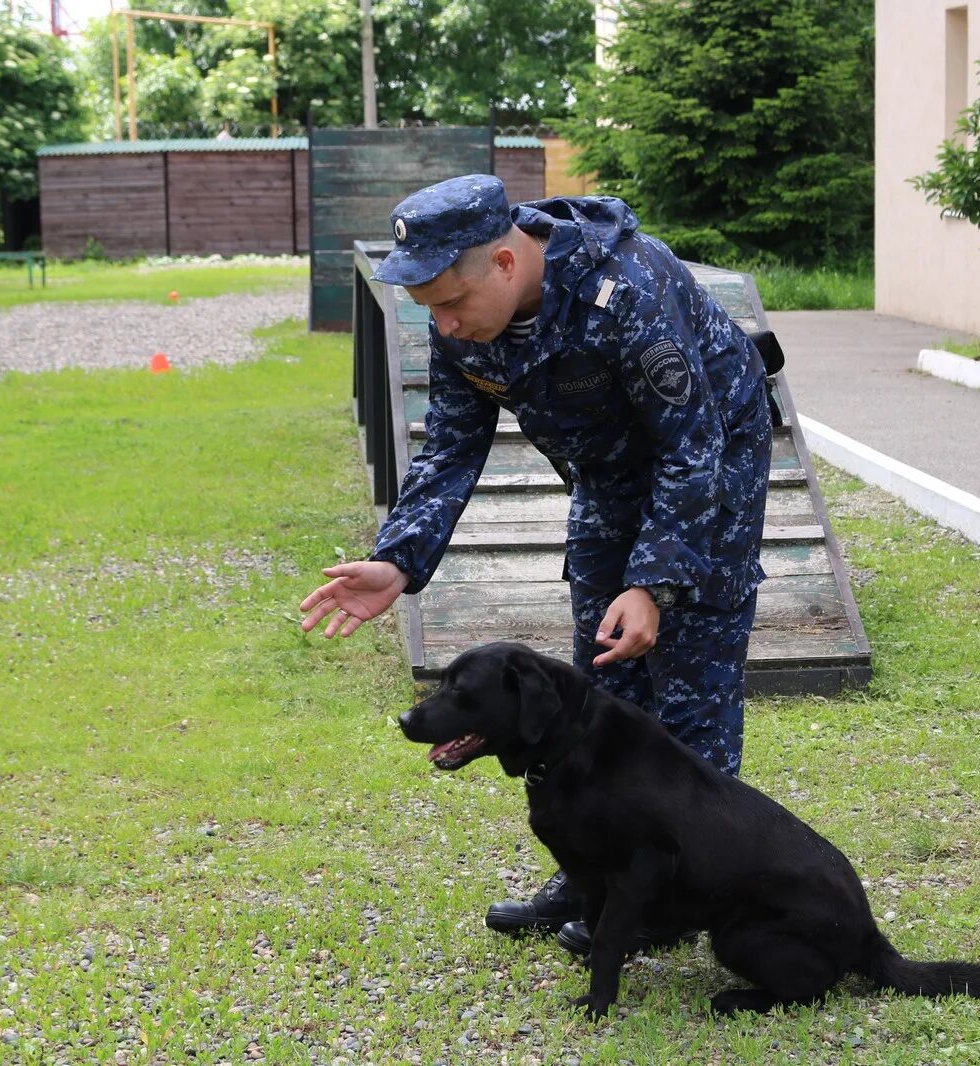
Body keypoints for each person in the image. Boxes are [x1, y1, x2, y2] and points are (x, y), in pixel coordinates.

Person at [299, 173, 772, 952]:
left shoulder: (628, 288)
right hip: (608, 475)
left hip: (710, 465)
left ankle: (682, 894)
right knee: (597, 682)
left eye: (452, 304)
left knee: (687, 683)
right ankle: (595, 876)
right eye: (430, 312)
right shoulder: (464, 323)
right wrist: (399, 561)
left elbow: (693, 448)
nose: (444, 327)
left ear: (506, 265)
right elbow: (450, 447)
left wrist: (653, 581)